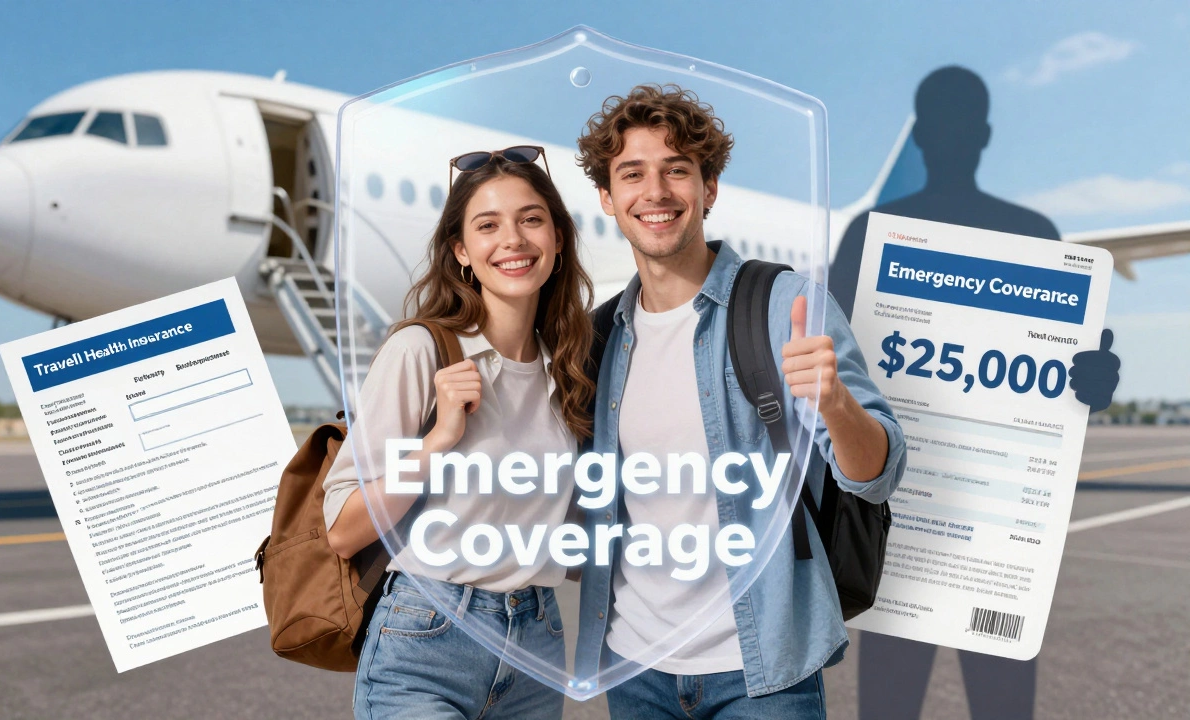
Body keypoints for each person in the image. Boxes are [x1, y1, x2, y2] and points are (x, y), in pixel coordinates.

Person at [572, 84, 908, 719]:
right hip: (634, 665)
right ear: (608, 199)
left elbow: (878, 476)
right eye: (633, 174)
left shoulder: (785, 306)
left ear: (709, 188)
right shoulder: (597, 338)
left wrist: (835, 403)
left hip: (761, 673)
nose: (657, 192)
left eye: (678, 170)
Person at [831, 66, 1121, 720]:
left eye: (961, 125)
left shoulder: (1034, 237)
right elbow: (838, 378)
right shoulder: (871, 236)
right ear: (929, 135)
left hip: (995, 547)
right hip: (901, 536)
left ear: (982, 136)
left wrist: (1092, 382)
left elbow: (1071, 392)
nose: (954, 136)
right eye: (944, 124)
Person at [322, 147, 596, 720]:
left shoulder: (568, 370)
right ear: (462, 252)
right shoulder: (420, 351)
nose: (513, 240)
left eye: (531, 219)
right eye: (487, 225)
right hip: (428, 633)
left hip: (537, 643)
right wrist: (436, 441)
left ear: (558, 239)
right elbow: (345, 531)